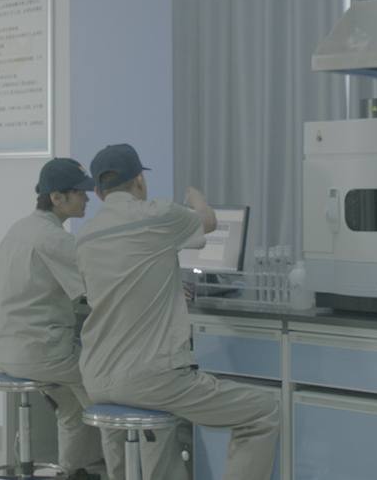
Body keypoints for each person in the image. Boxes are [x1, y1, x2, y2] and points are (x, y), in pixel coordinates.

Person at [77, 144, 280, 480]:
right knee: (262, 412)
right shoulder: (155, 213)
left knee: (154, 429)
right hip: (150, 378)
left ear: (98, 192)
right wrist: (197, 199)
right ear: (139, 181)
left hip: (96, 377)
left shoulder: (85, 235)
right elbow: (209, 222)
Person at [0, 158, 125, 480]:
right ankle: (122, 474)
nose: (87, 198)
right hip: (41, 352)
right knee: (108, 400)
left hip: (5, 348)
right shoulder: (54, 238)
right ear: (56, 197)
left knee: (72, 406)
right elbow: (97, 286)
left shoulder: (19, 228)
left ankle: (72, 470)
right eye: (79, 192)